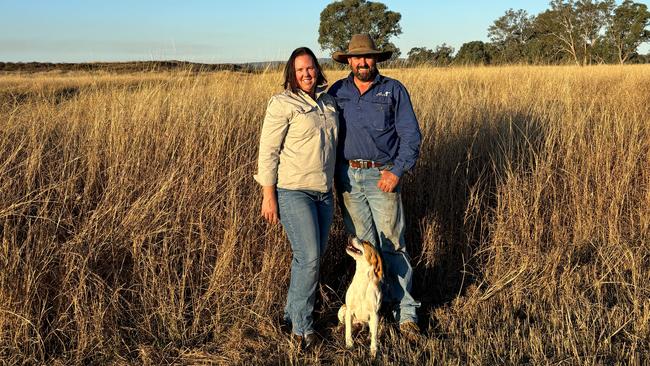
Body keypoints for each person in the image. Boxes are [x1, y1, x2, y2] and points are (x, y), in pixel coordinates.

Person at [328, 34, 423, 341]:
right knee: (363, 249)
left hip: (382, 176)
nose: (363, 62)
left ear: (376, 60)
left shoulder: (393, 90)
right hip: (349, 179)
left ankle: (406, 313)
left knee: (393, 243)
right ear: (348, 61)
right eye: (357, 58)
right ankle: (368, 312)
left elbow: (411, 137)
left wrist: (396, 171)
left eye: (368, 57)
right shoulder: (337, 91)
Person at [254, 47, 338, 349]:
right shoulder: (282, 103)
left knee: (308, 259)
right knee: (310, 257)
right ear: (292, 73)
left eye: (311, 68)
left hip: (323, 194)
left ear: (318, 70)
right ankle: (303, 327)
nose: (306, 73)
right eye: (300, 69)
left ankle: (291, 314)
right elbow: (268, 151)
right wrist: (269, 195)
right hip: (293, 192)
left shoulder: (329, 102)